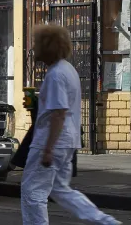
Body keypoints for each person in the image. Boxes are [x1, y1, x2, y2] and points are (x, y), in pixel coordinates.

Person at [21, 24, 119, 225]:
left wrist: (47, 149)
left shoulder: (56, 74)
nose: (34, 49)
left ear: (47, 47)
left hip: (51, 142)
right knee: (60, 189)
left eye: (37, 44)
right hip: (68, 142)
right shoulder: (68, 70)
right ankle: (105, 221)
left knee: (33, 191)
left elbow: (59, 113)